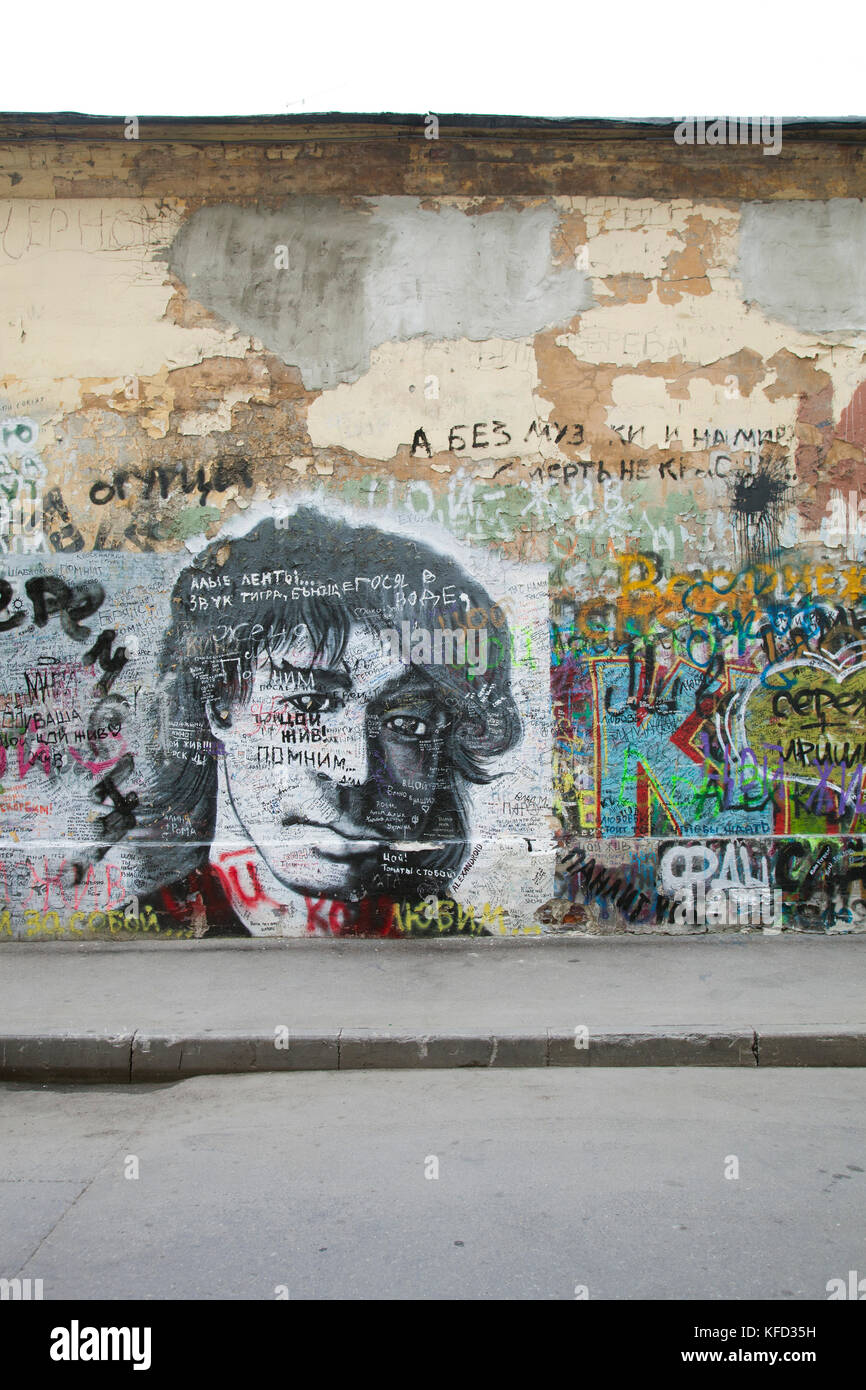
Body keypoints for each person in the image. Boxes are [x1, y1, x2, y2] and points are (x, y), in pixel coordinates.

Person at [138, 507, 521, 936]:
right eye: (309, 705)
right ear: (220, 705)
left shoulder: (454, 946)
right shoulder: (143, 937)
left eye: (406, 725)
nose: (355, 770)